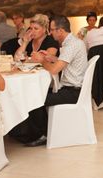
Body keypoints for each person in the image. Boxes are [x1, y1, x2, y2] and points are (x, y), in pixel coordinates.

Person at [24, 16, 89, 146]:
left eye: (52, 30)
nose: (51, 32)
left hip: (73, 92)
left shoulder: (71, 45)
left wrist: (42, 60)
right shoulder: (72, 42)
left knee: (35, 99)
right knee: (38, 96)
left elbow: (54, 70)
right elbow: (64, 62)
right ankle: (44, 131)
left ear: (60, 30)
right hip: (73, 88)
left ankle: (42, 135)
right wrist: (50, 57)